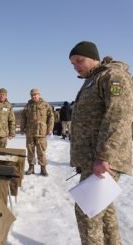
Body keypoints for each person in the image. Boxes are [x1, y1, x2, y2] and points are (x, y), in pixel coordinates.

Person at [69, 41, 133, 244]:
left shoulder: (112, 76)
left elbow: (118, 117)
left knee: (87, 211)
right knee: (103, 212)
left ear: (94, 57)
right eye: (72, 64)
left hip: (104, 159)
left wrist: (105, 156)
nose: (76, 66)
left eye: (79, 60)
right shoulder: (92, 80)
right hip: (92, 158)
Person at [20, 88, 54, 176]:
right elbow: (23, 117)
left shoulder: (45, 105)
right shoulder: (28, 105)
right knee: (30, 150)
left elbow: (51, 117)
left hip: (41, 132)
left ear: (39, 95)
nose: (34, 96)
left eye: (35, 95)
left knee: (41, 151)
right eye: (32, 95)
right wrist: (22, 128)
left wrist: (50, 129)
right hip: (30, 132)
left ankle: (43, 168)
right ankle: (31, 168)